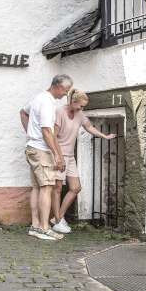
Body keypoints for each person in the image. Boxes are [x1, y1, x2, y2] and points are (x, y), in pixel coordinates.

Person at [51, 88, 116, 234]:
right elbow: (53, 136)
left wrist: (104, 136)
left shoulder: (79, 114)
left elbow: (88, 127)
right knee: (57, 189)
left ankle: (58, 218)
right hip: (59, 155)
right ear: (73, 101)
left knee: (75, 188)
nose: (82, 109)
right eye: (81, 106)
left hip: (70, 157)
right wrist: (57, 156)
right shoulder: (59, 112)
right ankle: (58, 220)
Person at [20, 74, 73, 240]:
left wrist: (30, 134)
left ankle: (35, 225)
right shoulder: (47, 102)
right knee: (47, 187)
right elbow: (46, 131)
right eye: (65, 90)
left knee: (37, 187)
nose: (66, 94)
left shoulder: (38, 98)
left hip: (33, 148)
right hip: (41, 150)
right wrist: (57, 155)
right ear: (58, 87)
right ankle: (43, 228)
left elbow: (23, 112)